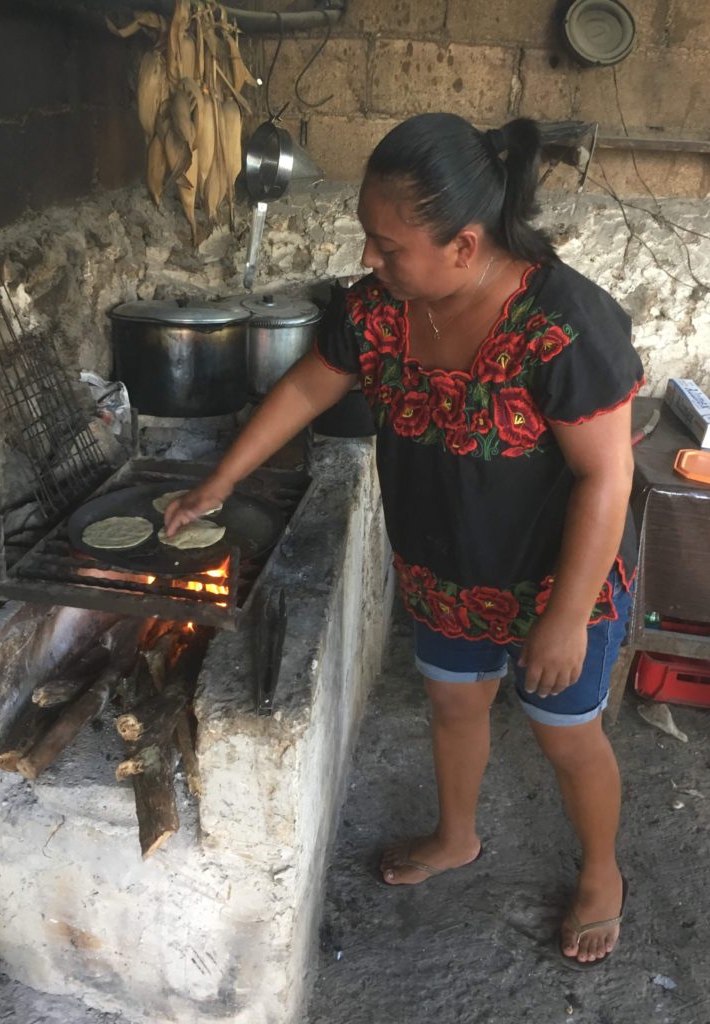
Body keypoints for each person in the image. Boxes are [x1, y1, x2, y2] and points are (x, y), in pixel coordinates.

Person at [165, 113, 643, 970]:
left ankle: (602, 873)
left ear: (464, 246)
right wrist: (220, 479)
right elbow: (311, 386)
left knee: (566, 734)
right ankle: (457, 835)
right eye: (368, 242)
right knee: (456, 705)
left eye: (388, 247)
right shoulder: (381, 307)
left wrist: (568, 617)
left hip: (555, 580)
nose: (369, 264)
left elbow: (606, 480)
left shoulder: (564, 325)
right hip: (444, 566)